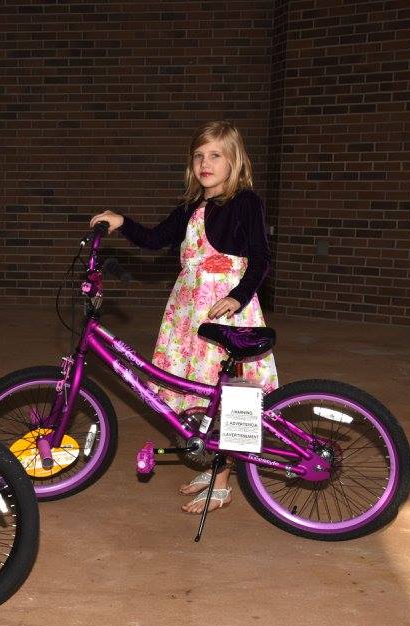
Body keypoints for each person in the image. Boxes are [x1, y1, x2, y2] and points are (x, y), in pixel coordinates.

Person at [90, 120, 278, 515]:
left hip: (224, 306)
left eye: (215, 156)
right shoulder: (192, 206)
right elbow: (156, 238)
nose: (205, 163)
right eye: (198, 156)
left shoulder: (245, 202)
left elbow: (261, 259)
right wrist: (122, 222)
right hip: (189, 309)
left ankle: (224, 482)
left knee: (225, 392)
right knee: (200, 391)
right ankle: (214, 466)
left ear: (234, 161)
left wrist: (237, 297)